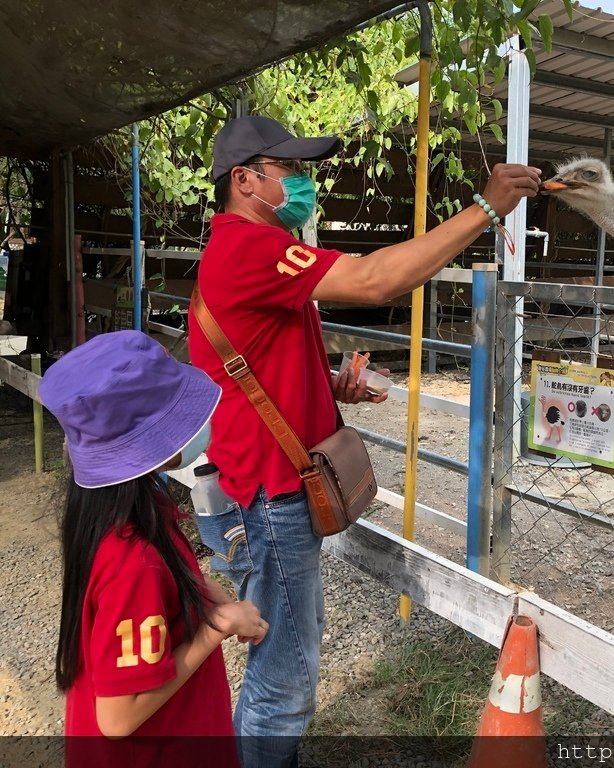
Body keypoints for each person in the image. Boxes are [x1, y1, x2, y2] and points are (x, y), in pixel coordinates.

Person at [187, 114, 540, 766]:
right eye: (289, 169)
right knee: (285, 681)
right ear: (245, 179)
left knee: (282, 655)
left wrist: (329, 386)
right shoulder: (248, 247)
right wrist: (486, 208)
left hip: (252, 486)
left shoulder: (244, 251)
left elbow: (247, 365)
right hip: (269, 494)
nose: (302, 182)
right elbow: (379, 278)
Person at [40, 330, 268, 765]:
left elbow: (174, 575)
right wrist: (214, 629)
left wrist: (215, 602)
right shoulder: (134, 564)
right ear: (149, 443)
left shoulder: (119, 516)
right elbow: (118, 717)